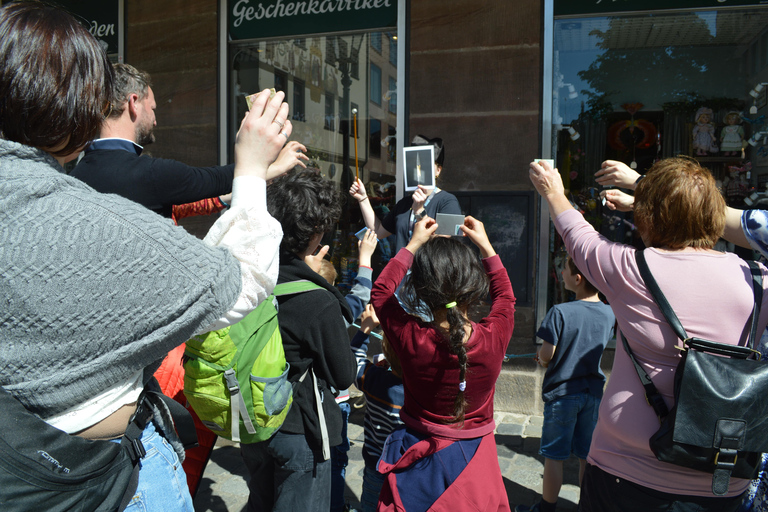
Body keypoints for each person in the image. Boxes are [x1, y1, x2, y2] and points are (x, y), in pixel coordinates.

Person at [0, 2, 293, 510]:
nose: (158, 112)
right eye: (154, 104)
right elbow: (241, 277)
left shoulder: (77, 182)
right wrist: (251, 167)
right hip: (99, 471)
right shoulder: (101, 205)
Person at [529, 157, 768, 511]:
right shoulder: (759, 280)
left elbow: (578, 237)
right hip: (725, 478)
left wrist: (553, 191)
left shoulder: (632, 269)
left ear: (647, 217)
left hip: (624, 474)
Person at [371, 215, 516, 511]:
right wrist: (486, 246)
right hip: (475, 463)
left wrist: (413, 244)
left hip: (420, 465)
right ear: (475, 285)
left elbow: (381, 294)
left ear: (421, 290)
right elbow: (506, 298)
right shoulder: (493, 337)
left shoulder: (413, 338)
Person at [240, 169, 358, 512]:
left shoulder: (250, 277)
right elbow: (343, 375)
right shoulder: (317, 301)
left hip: (253, 423)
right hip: (298, 430)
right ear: (316, 233)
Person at [71, 62, 309, 218]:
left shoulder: (76, 174)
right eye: (152, 109)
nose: (155, 120)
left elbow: (201, 200)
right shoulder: (152, 175)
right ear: (133, 103)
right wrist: (266, 160)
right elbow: (214, 180)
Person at [515, 254, 615, 512]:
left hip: (562, 394)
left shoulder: (559, 312)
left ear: (578, 279)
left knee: (554, 457)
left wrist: (542, 359)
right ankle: (585, 506)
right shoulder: (609, 313)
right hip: (592, 393)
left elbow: (547, 355)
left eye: (565, 270)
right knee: (586, 456)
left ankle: (546, 508)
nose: (561, 274)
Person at [313, 230, 379, 512]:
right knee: (337, 460)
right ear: (333, 288)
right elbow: (362, 292)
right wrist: (365, 258)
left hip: (301, 404)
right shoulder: (333, 311)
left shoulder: (285, 303)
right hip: (333, 403)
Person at [349, 134, 462, 253]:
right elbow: (378, 232)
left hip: (430, 271)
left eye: (427, 163)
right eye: (415, 163)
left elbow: (445, 244)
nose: (420, 168)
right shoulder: (404, 203)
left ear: (438, 170)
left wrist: (419, 212)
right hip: (402, 270)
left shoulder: (449, 201)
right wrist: (363, 199)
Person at [349, 304, 405, 512]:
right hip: (407, 469)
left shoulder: (373, 379)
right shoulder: (422, 392)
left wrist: (366, 329)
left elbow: (353, 359)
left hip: (375, 466)